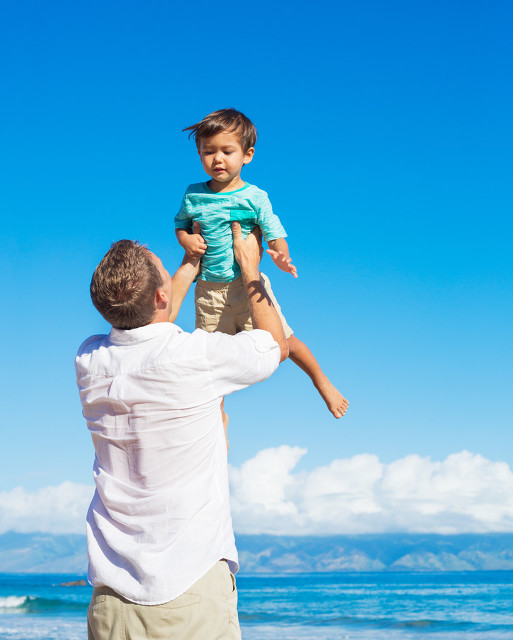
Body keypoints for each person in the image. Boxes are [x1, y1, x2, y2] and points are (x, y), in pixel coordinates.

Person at [76, 223, 288, 640]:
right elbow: (274, 346)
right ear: (161, 296)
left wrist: (190, 264)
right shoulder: (193, 357)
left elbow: (145, 332)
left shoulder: (89, 359)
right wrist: (250, 269)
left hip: (110, 602)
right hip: (188, 594)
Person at [175, 108, 349, 419]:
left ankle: (321, 380)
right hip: (209, 291)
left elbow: (273, 230)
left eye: (227, 151)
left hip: (248, 286)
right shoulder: (194, 195)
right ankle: (218, 420)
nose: (217, 159)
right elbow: (182, 225)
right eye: (208, 152)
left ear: (247, 155)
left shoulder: (255, 197)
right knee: (211, 364)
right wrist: (186, 240)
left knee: (285, 344)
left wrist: (281, 254)